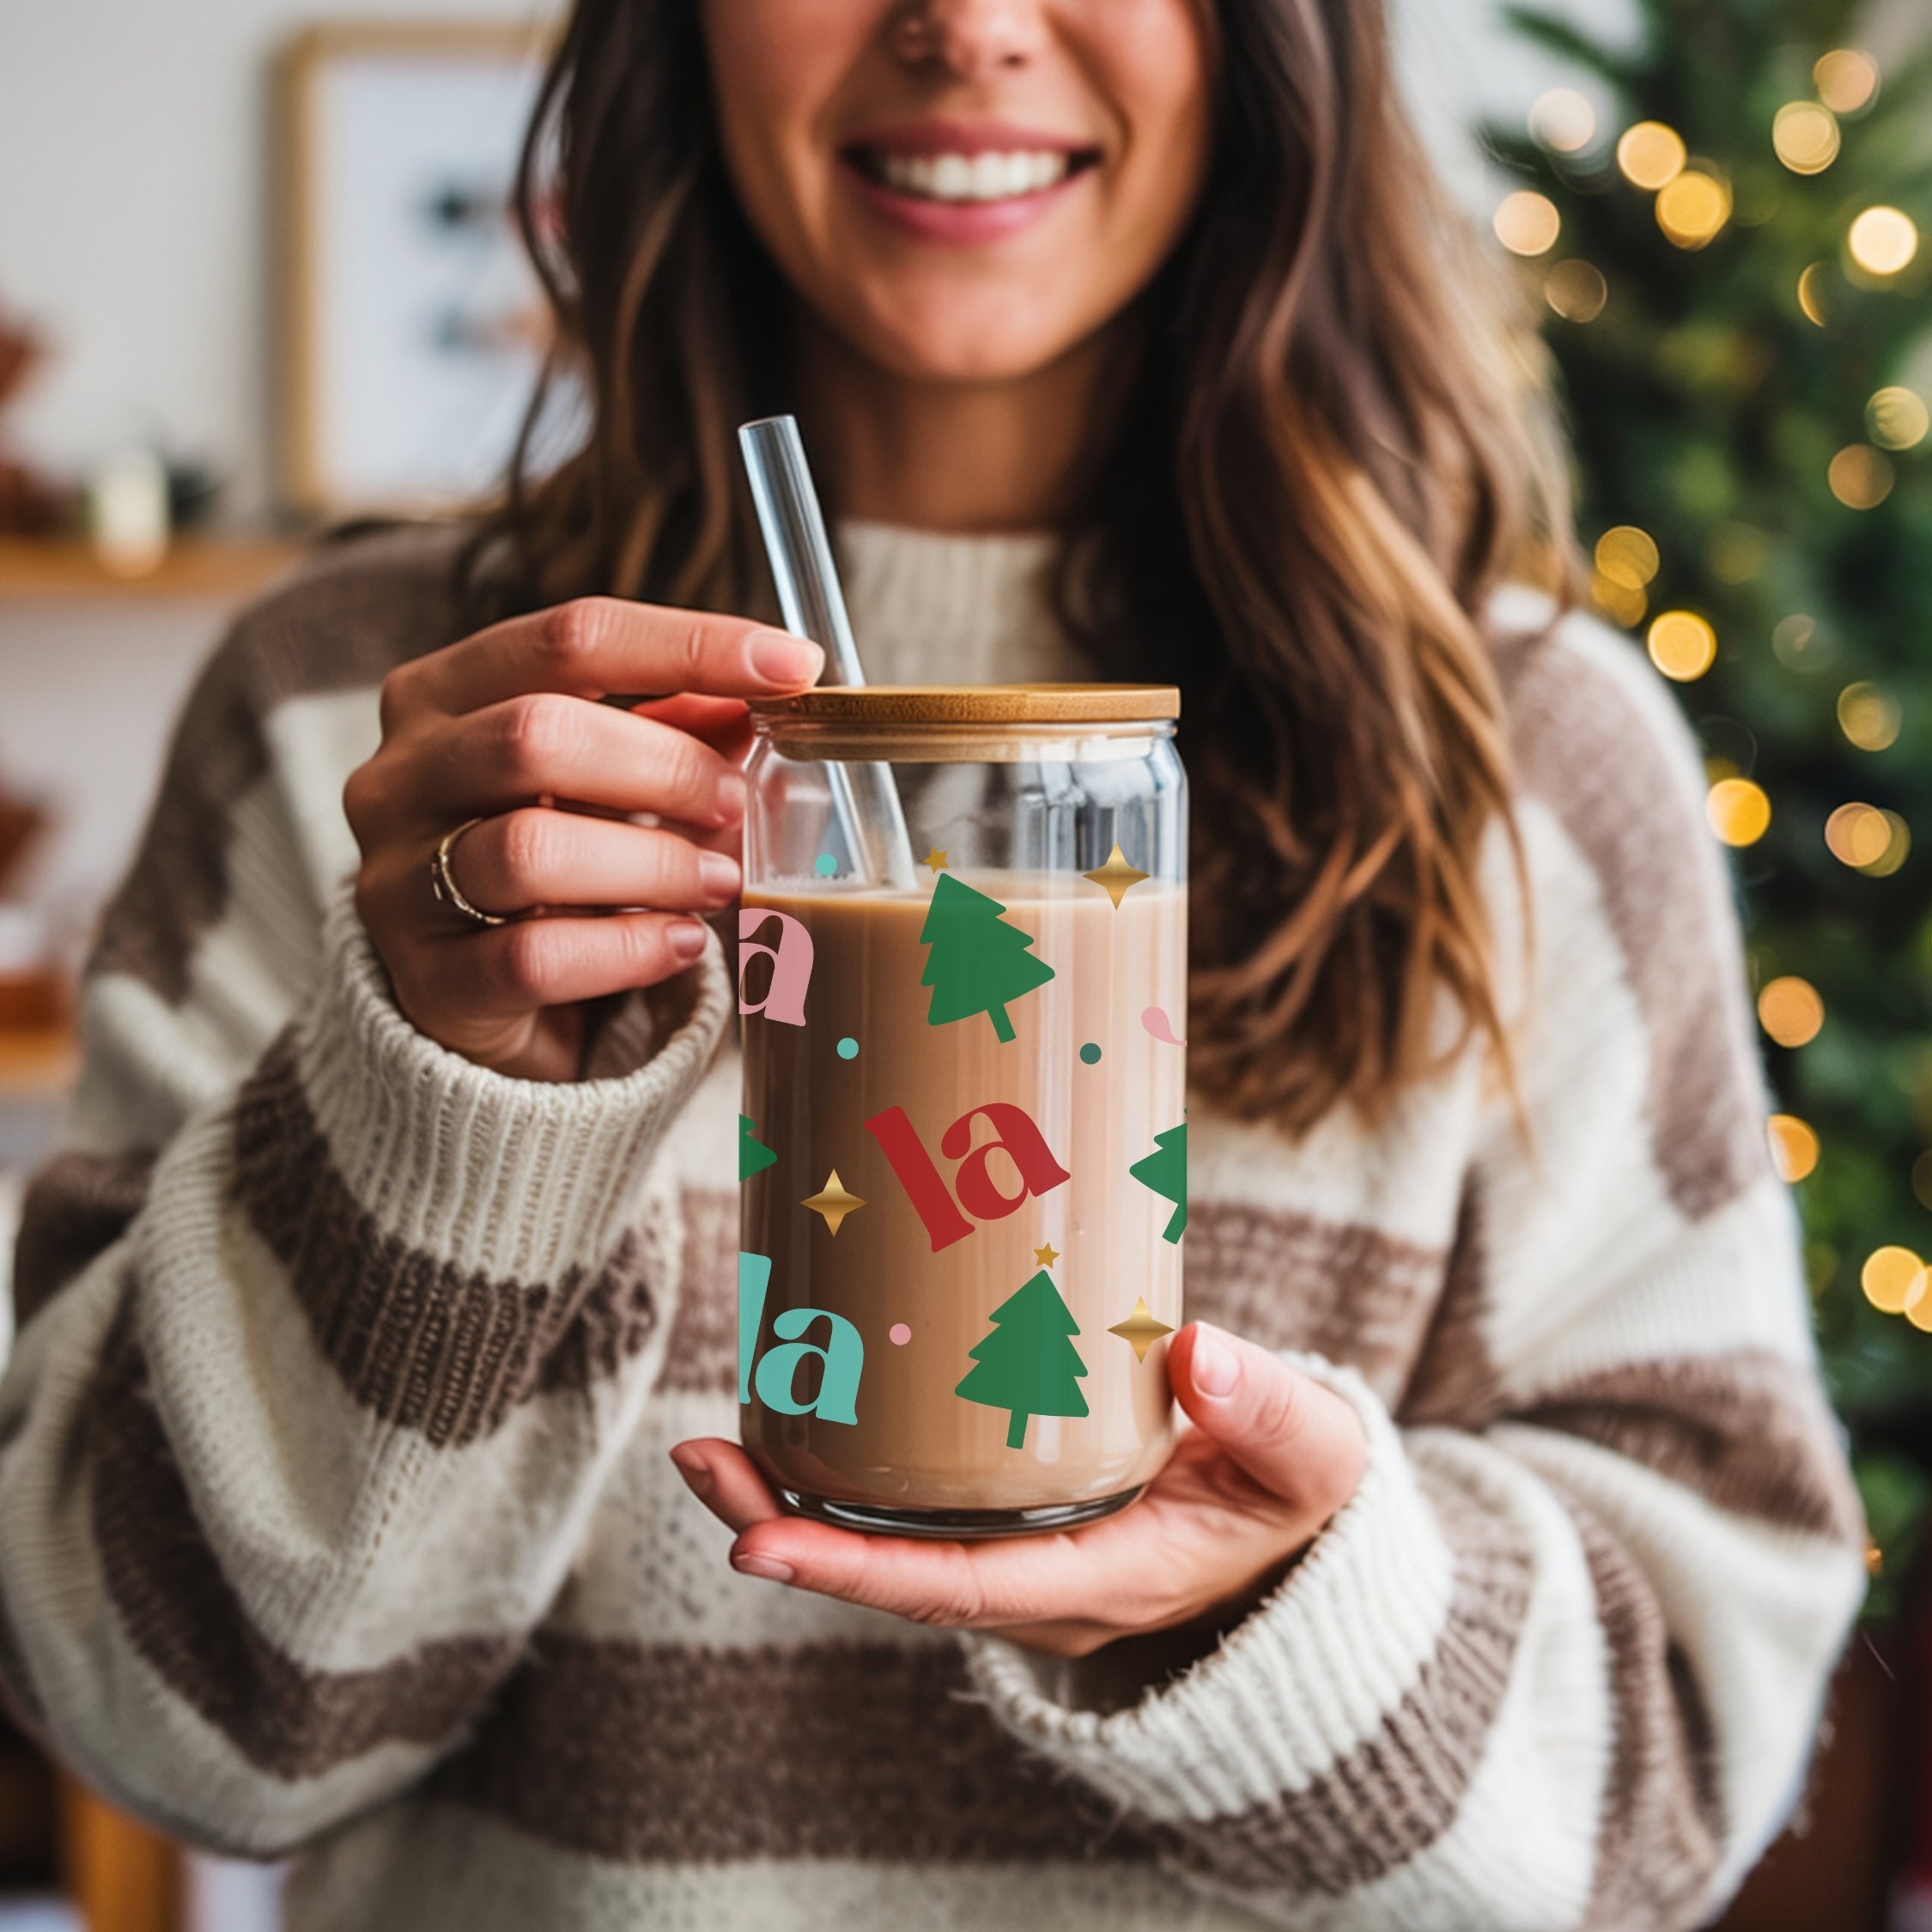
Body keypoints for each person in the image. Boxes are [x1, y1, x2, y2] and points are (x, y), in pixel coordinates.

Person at [0, 2, 1866, 1928]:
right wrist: (433, 1112)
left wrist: (1271, 1609)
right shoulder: (385, 746)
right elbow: (163, 1733)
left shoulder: (1529, 763)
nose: (965, 23)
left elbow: (1686, 1745)